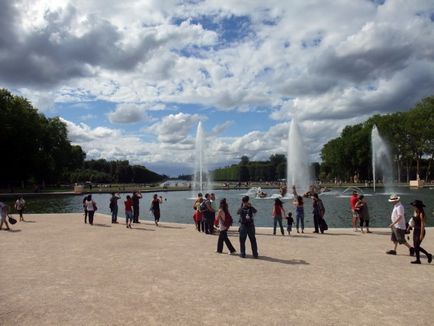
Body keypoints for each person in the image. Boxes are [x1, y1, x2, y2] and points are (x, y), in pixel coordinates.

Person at [409, 200, 432, 264]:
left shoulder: (422, 214)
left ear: (417, 206)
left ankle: (428, 255)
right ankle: (418, 260)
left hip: (420, 231)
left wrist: (421, 235)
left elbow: (423, 224)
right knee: (416, 246)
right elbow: (412, 220)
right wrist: (409, 227)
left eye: (414, 206)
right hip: (415, 230)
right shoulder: (415, 211)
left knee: (416, 246)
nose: (413, 207)